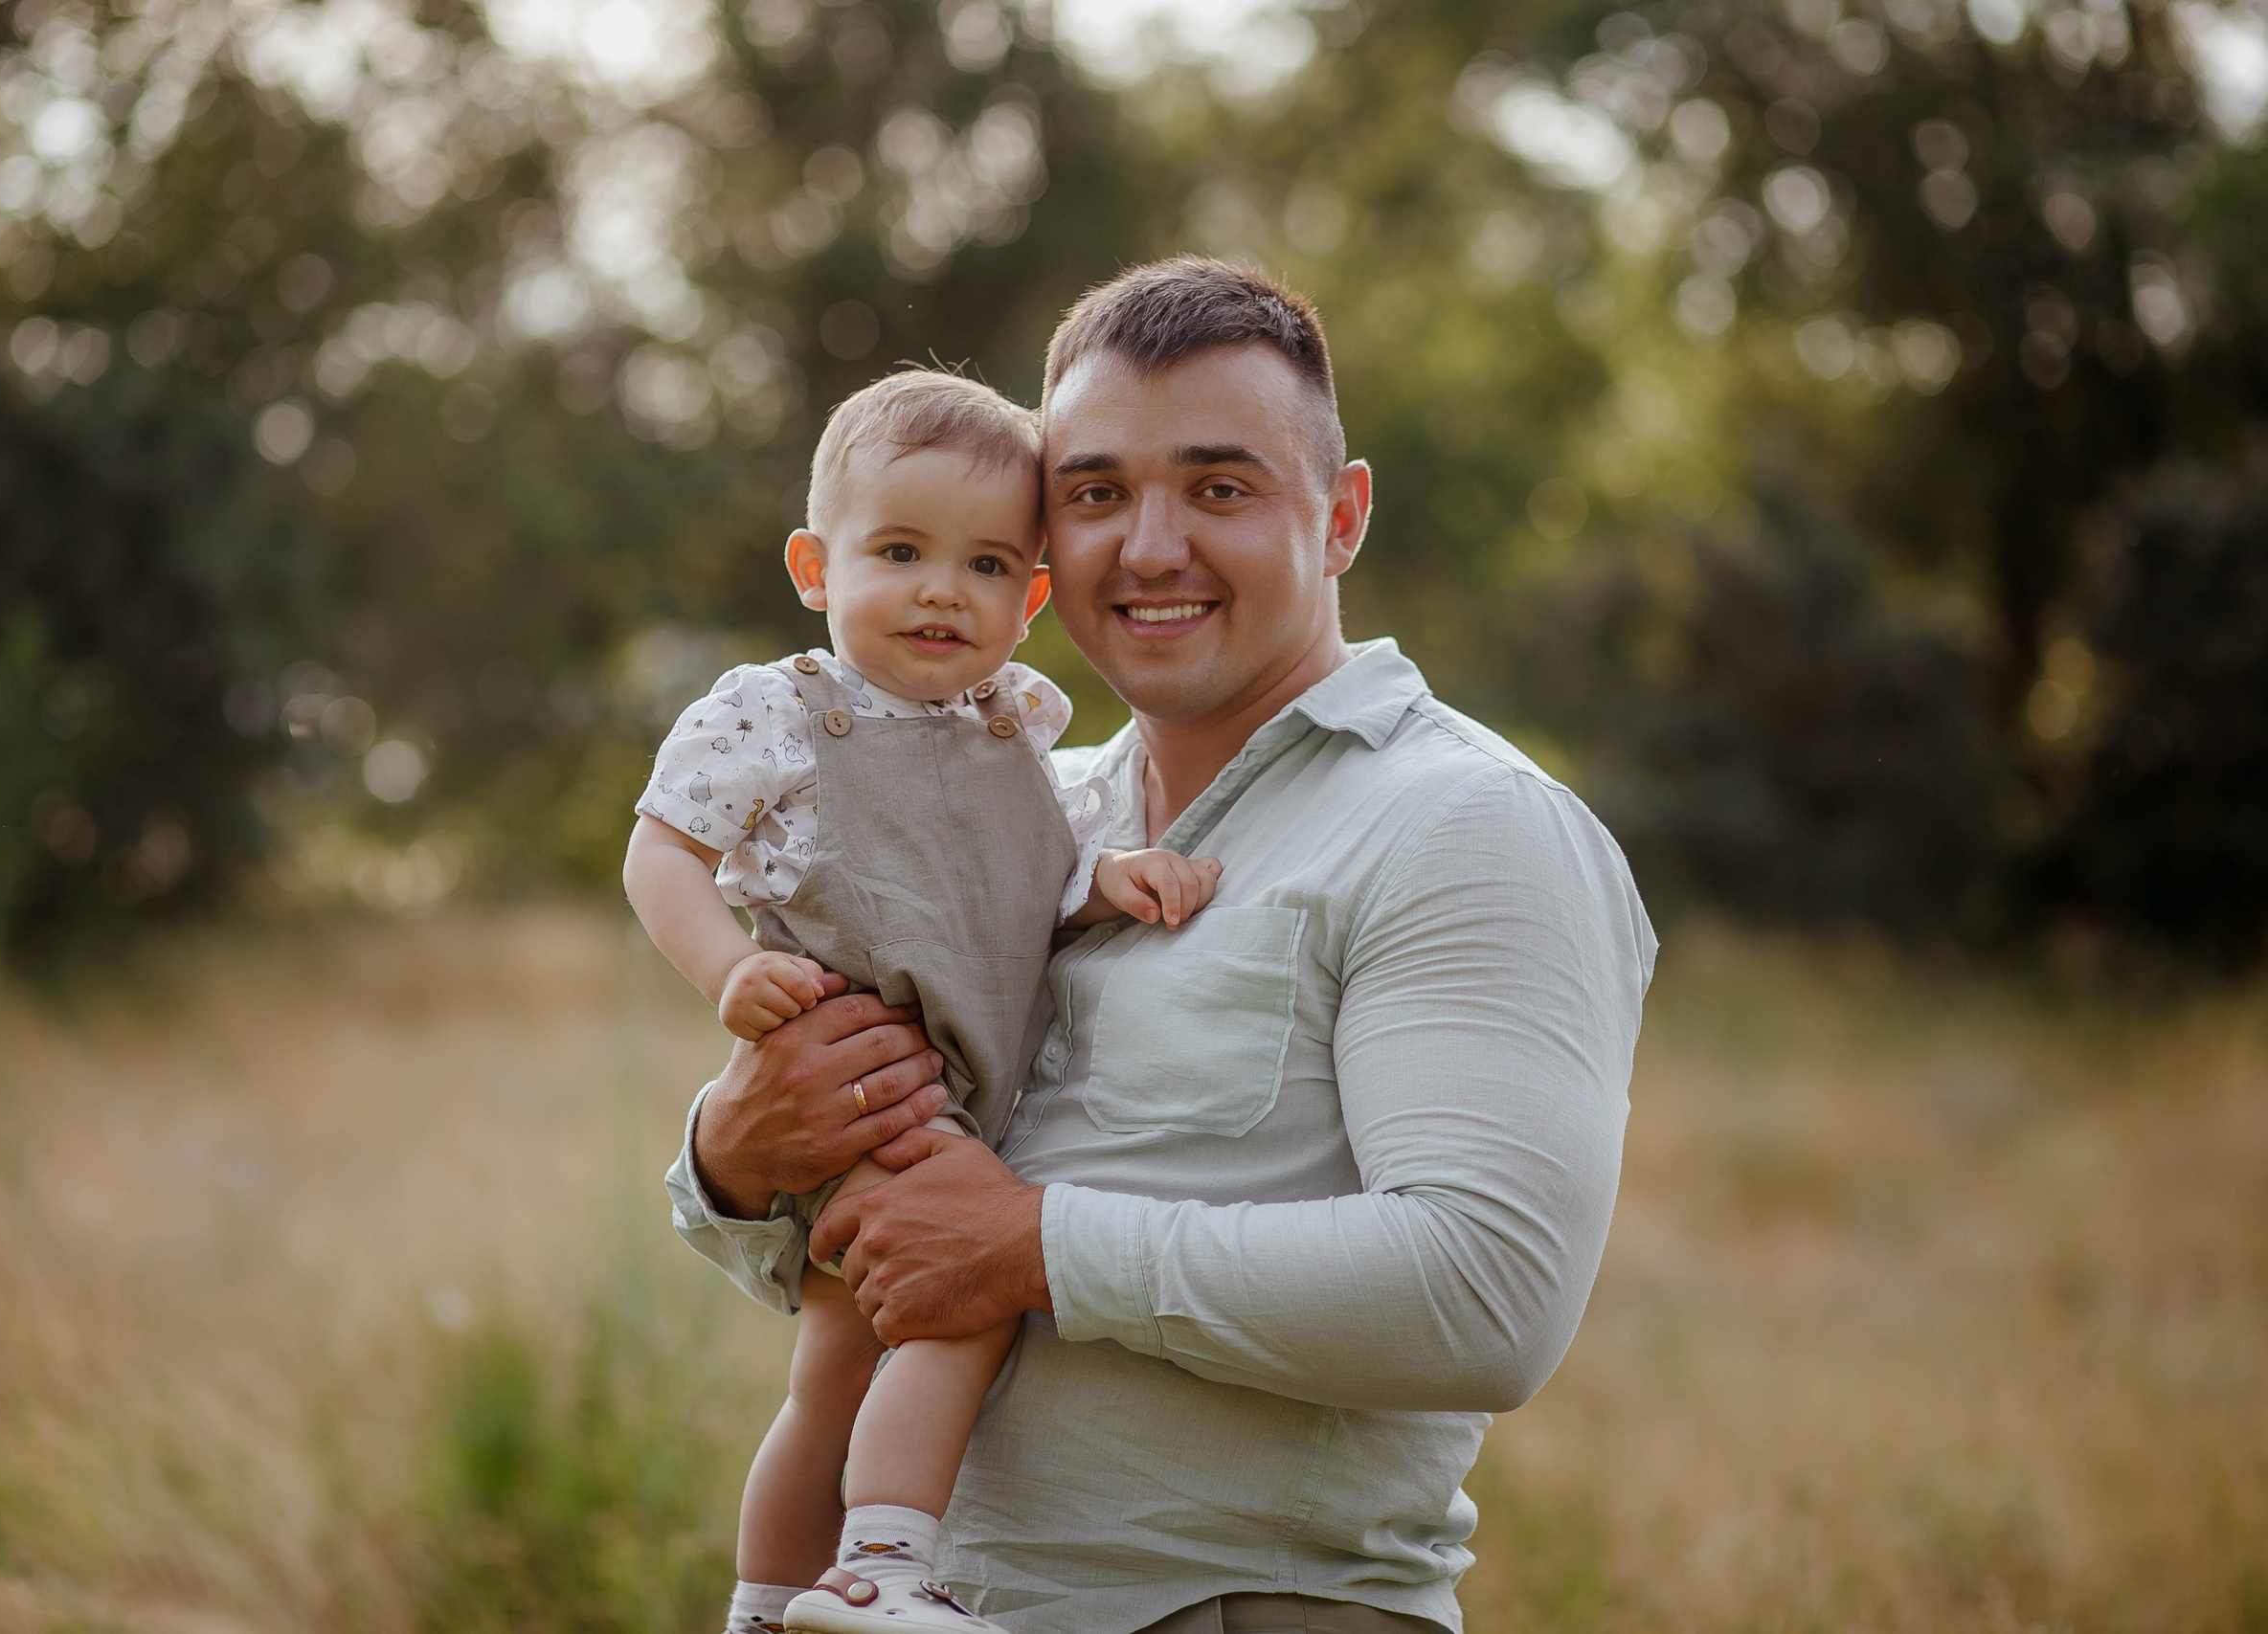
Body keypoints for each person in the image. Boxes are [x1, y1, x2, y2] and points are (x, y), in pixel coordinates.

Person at [665, 257, 1657, 1634]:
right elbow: (856, 1250)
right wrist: (734, 1150)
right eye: (1094, 495)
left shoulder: (1464, 827)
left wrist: (1037, 1247)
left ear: (1342, 515)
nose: (1147, 547)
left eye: (1221, 487)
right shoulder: (1031, 810)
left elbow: (1488, 1298)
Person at [624, 369, 1223, 1634]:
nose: (946, 588)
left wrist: (1110, 879)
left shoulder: (1016, 732)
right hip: (864, 1092)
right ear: (814, 564)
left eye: (991, 564)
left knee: (835, 1371)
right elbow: (660, 852)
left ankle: (766, 1605)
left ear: (1033, 596)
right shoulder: (780, 716)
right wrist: (731, 970)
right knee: (967, 1315)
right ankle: (886, 1566)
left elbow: (1027, 896)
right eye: (900, 551)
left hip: (962, 1104)